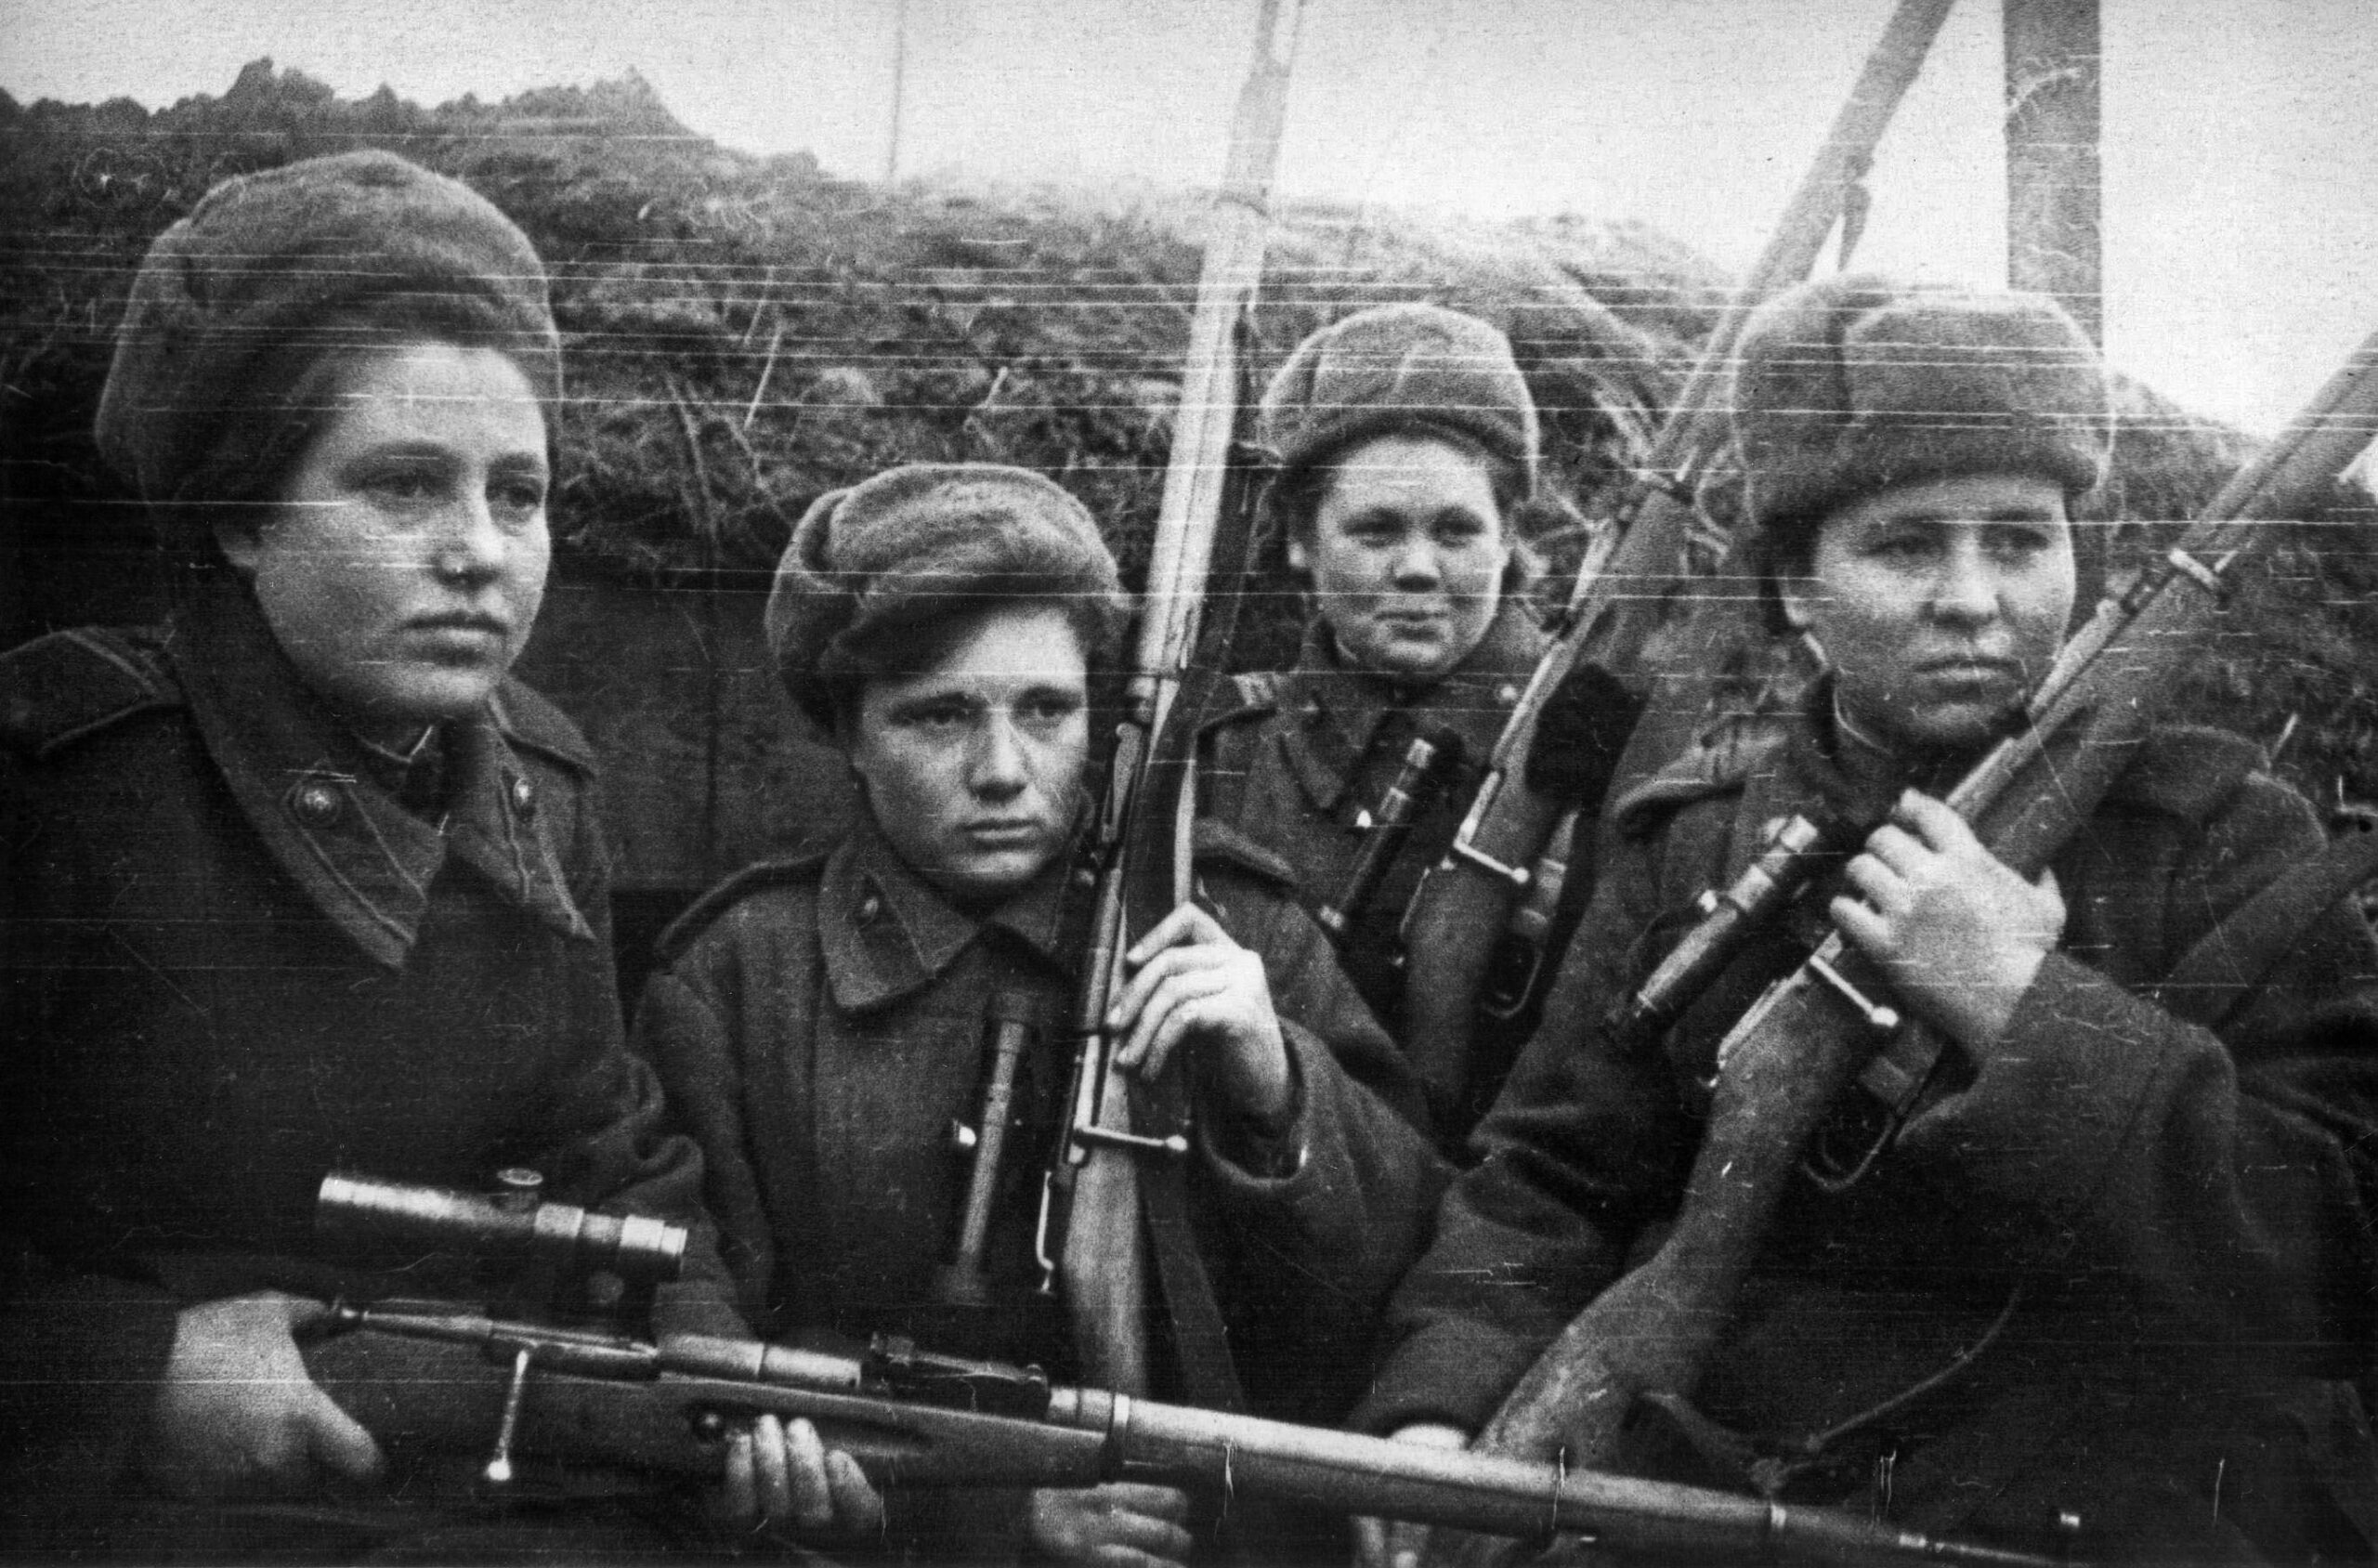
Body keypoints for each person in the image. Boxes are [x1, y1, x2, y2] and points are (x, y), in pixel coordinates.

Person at [1352, 277, 2378, 1565]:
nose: (1972, 596)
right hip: (1731, 1501)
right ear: (1792, 586)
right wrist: (1438, 1413)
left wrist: (2032, 1014)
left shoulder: (2228, 840)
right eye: (1905, 547)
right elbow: (1550, 1180)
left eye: (2020, 539)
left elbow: (2332, 1270)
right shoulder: (1698, 839)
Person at [0, 150, 757, 1561]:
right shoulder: (65, 791)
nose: (480, 551)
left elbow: (607, 1149)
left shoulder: (542, 787)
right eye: (405, 486)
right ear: (240, 515)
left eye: (518, 495)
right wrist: (127, 1369)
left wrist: (723, 1382)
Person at [634, 463, 1450, 1564]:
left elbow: (1404, 1276)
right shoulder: (736, 978)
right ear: (848, 730)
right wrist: (980, 1516)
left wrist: (1276, 1082)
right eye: (938, 716)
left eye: (1047, 709)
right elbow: (696, 1349)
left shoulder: (1229, 921)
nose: (1003, 770)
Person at [1199, 303, 1556, 1142]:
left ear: (1509, 536)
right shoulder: (1221, 755)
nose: (1419, 569)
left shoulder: (1604, 759)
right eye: (1375, 529)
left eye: (1458, 530)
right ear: (1299, 539)